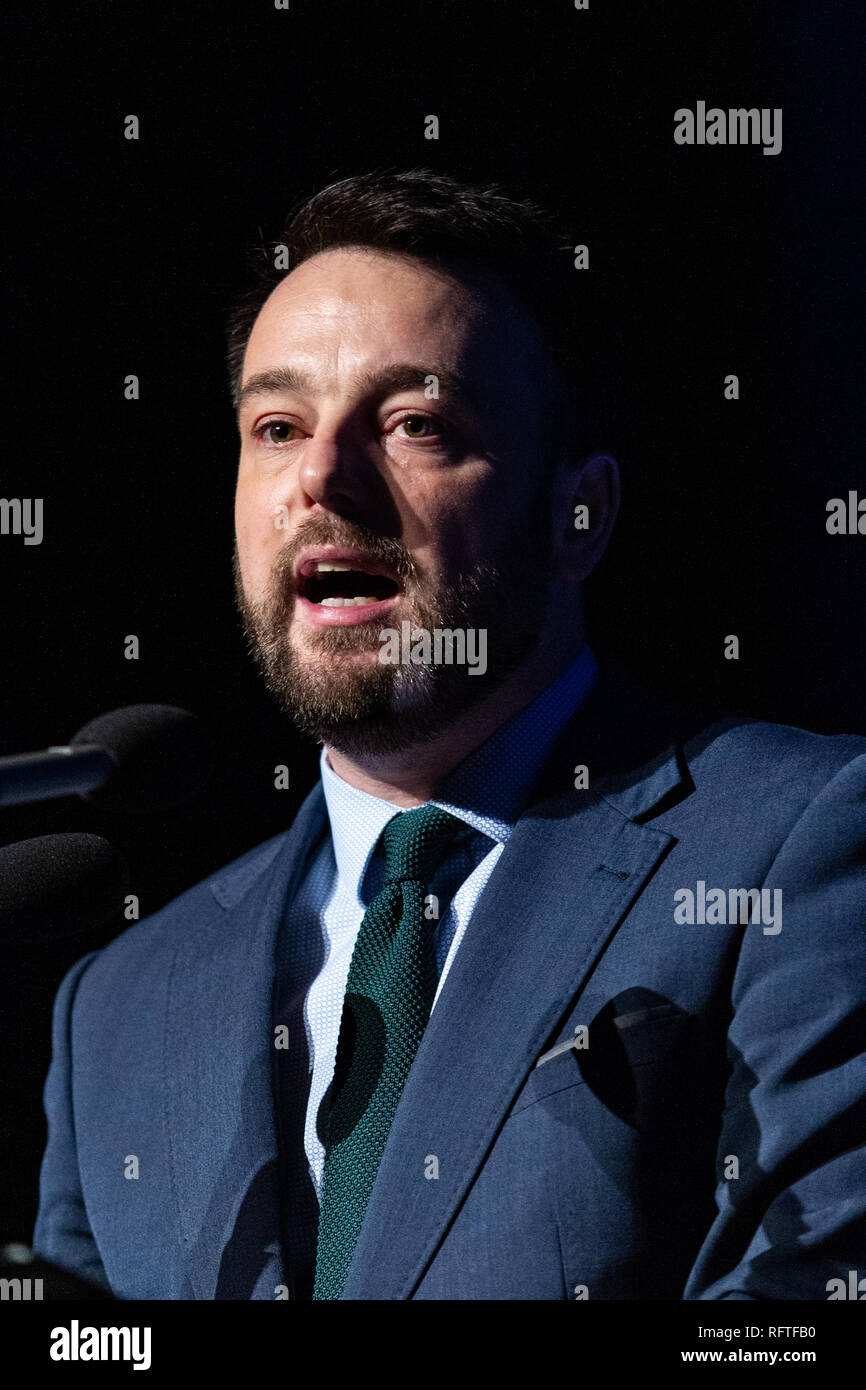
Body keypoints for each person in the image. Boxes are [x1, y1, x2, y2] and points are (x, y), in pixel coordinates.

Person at [33, 170, 866, 1300]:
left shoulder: (800, 844)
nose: (321, 477)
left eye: (415, 423)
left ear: (580, 514)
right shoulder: (119, 1004)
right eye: (276, 427)